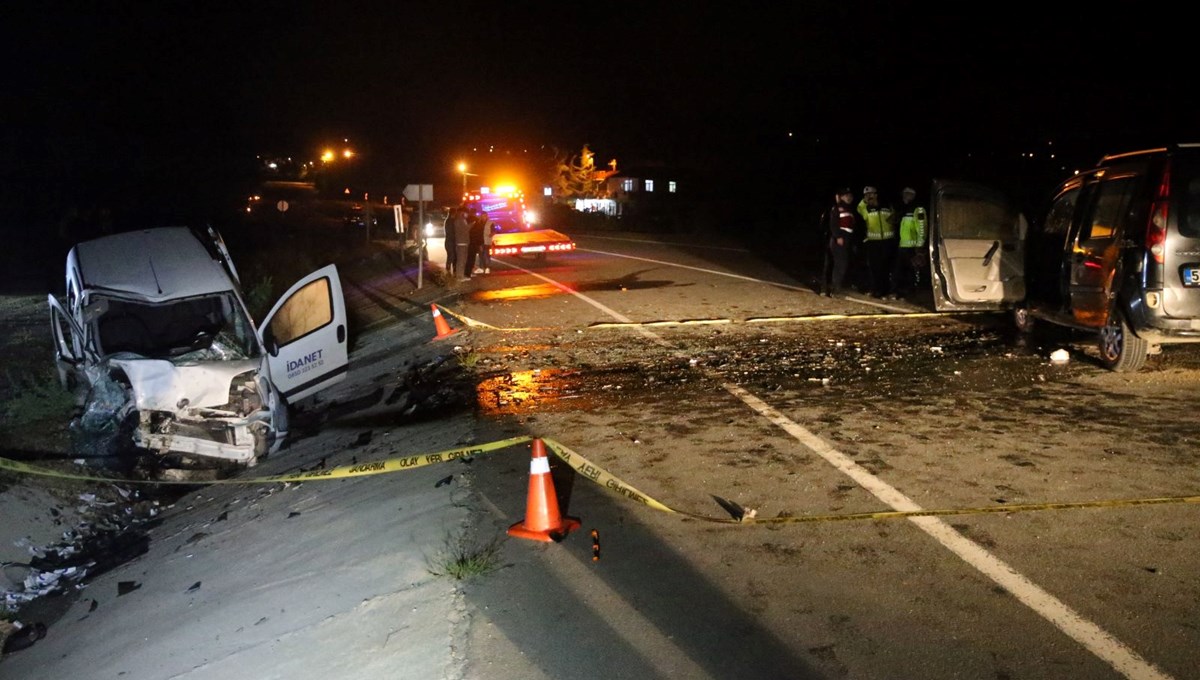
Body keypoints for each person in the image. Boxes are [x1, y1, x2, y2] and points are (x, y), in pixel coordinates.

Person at [857, 185, 898, 298]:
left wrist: (894, 219)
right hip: (873, 242)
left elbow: (894, 217)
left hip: (888, 241)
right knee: (874, 267)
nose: (869, 196)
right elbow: (859, 208)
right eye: (866, 195)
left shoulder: (886, 206)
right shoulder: (865, 209)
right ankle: (875, 289)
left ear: (876, 195)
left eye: (871, 194)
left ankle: (887, 290)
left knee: (887, 267)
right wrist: (864, 201)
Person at [892, 186, 928, 298]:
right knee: (899, 272)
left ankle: (910, 294)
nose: (905, 196)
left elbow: (922, 228)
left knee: (910, 273)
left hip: (913, 247)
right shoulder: (904, 209)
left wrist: (919, 246)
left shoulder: (918, 209)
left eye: (907, 194)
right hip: (903, 245)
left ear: (913, 195)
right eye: (904, 194)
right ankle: (899, 293)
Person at [823, 187, 857, 296]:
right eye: (846, 196)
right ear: (841, 197)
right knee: (840, 264)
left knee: (841, 264)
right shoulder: (837, 208)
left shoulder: (850, 210)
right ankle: (834, 289)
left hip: (846, 240)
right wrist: (838, 236)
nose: (849, 198)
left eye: (850, 196)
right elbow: (833, 223)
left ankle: (832, 288)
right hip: (838, 240)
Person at [453, 205, 472, 279]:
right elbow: (464, 229)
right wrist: (472, 224)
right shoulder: (459, 220)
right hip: (461, 243)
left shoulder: (462, 220)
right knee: (461, 260)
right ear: (463, 213)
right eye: (466, 213)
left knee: (463, 260)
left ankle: (462, 275)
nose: (467, 215)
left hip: (464, 242)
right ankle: (459, 277)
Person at [466, 208, 487, 275]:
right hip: (474, 242)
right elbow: (479, 233)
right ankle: (470, 271)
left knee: (468, 257)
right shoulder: (477, 221)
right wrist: (480, 243)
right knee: (472, 257)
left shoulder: (466, 219)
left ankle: (468, 272)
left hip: (467, 241)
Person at [444, 206, 459, 277]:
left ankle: (451, 269)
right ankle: (449, 269)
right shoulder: (450, 221)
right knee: (452, 255)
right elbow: (451, 232)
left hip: (450, 241)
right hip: (450, 241)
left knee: (452, 255)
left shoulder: (450, 220)